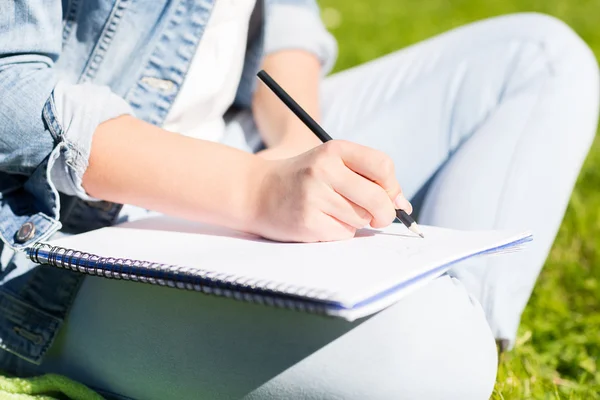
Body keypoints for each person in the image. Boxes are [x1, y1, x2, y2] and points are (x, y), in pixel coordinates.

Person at [0, 0, 597, 398]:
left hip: (235, 144)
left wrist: (286, 149)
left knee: (542, 58)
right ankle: (438, 340)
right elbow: (12, 93)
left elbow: (287, 18)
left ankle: (461, 329)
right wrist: (252, 189)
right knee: (433, 351)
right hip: (53, 234)